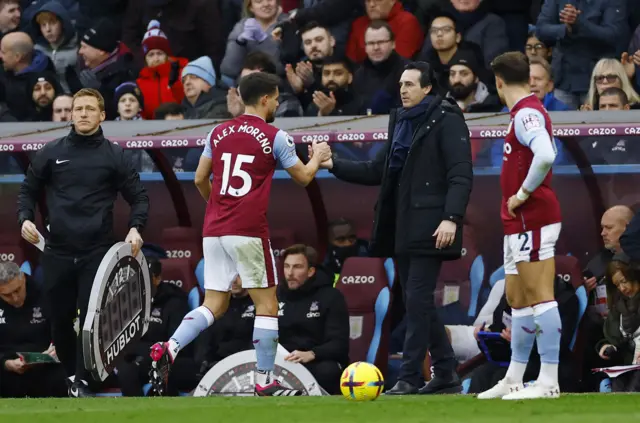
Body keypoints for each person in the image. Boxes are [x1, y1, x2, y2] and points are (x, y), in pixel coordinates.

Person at [149, 72, 333, 397]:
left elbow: (199, 178)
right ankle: (264, 381)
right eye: (276, 99)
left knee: (214, 305)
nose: (277, 103)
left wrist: (221, 206)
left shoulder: (218, 132)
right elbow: (304, 177)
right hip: (247, 230)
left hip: (214, 229)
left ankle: (171, 346)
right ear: (265, 99)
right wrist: (317, 158)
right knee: (267, 304)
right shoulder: (275, 136)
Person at [310, 61, 473, 395]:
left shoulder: (447, 118)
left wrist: (452, 217)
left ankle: (410, 377)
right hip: (402, 226)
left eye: (411, 84)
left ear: (428, 88)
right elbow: (376, 170)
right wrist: (332, 165)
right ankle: (445, 372)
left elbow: (460, 174)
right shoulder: (400, 120)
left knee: (417, 300)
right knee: (418, 301)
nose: (403, 90)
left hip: (432, 226)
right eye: (401, 84)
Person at [17, 88, 149, 397]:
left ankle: (82, 381)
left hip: (97, 252)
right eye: (79, 109)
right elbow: (28, 190)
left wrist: (135, 228)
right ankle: (71, 375)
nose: (84, 114)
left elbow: (139, 198)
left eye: (91, 109)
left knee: (92, 319)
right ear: (71, 114)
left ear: (103, 115)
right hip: (57, 251)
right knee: (60, 320)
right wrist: (24, 217)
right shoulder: (50, 151)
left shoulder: (114, 154)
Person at [477, 52, 562, 400]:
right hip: (517, 222)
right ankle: (514, 377)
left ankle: (549, 380)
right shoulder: (521, 113)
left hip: (533, 217)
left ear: (498, 82)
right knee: (517, 298)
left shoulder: (527, 113)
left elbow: (546, 154)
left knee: (540, 296)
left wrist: (524, 192)